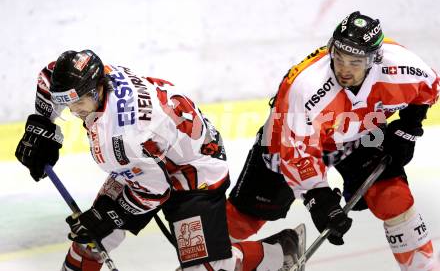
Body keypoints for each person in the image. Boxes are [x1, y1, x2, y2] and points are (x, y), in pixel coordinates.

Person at [15, 50, 306, 271]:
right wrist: (43, 125)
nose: (74, 110)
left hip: (194, 172)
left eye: (78, 104)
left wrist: (109, 215)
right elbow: (48, 78)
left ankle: (281, 251)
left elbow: (154, 189)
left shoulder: (123, 134)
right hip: (147, 160)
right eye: (67, 104)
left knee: (204, 268)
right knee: (89, 240)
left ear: (96, 90)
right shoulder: (94, 77)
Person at [226, 11, 439, 271]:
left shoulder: (401, 67)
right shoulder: (306, 87)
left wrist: (409, 127)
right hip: (285, 145)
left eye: (355, 62)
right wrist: (319, 198)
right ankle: (246, 257)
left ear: (374, 60)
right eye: (339, 58)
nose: (344, 69)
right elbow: (294, 152)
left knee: (393, 198)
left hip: (360, 135)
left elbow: (429, 87)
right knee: (237, 223)